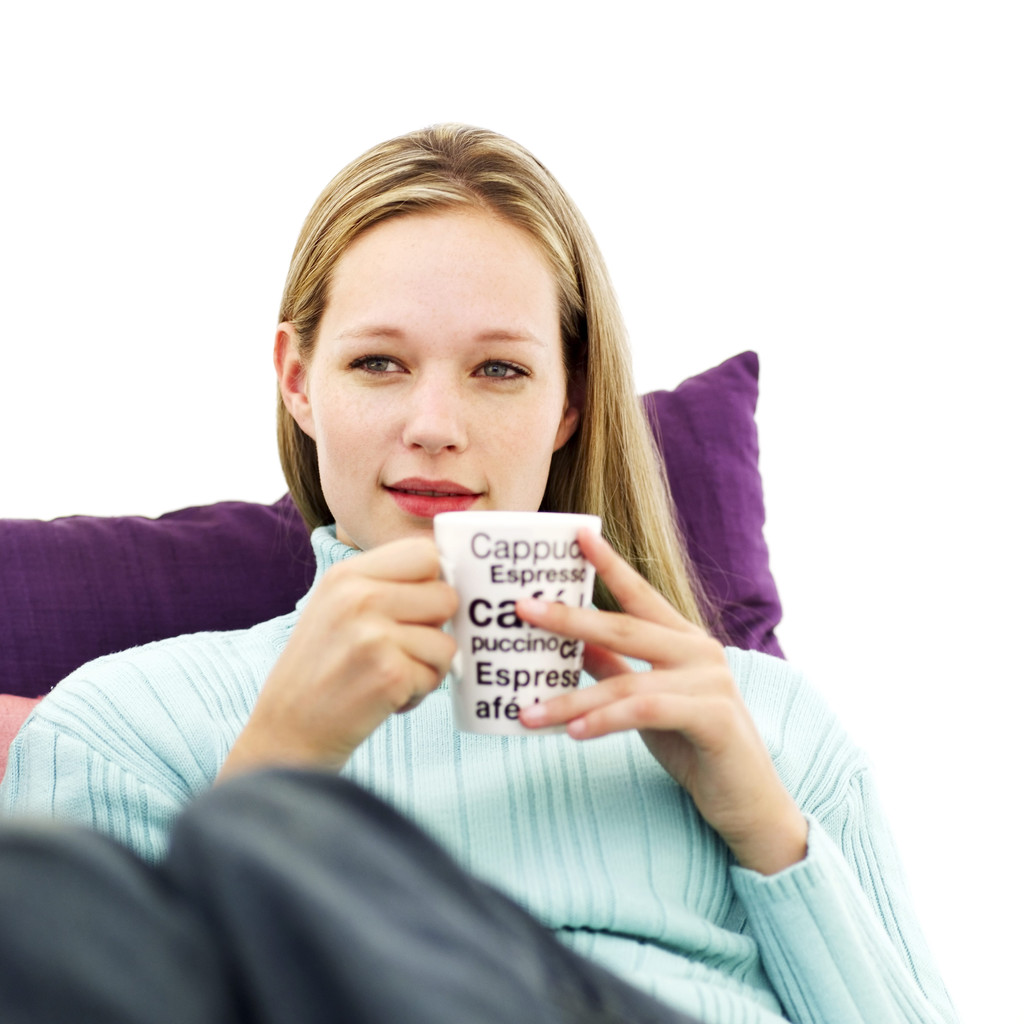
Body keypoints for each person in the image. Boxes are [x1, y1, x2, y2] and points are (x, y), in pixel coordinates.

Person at [1, 124, 958, 1023]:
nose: (435, 426)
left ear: (571, 399)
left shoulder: (767, 721)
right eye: (379, 363)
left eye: (499, 370)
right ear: (298, 380)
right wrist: (273, 777)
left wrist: (766, 828)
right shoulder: (117, 729)